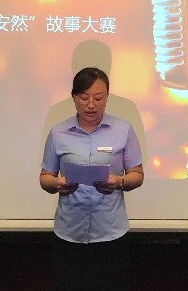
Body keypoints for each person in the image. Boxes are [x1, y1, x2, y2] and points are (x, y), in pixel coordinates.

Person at [40, 67, 144, 291]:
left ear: (107, 98)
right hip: (69, 233)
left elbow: (137, 175)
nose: (91, 105)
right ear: (74, 97)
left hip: (110, 234)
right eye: (84, 98)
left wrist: (119, 182)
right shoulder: (58, 132)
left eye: (98, 98)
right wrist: (57, 184)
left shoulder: (123, 129)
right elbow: (45, 177)